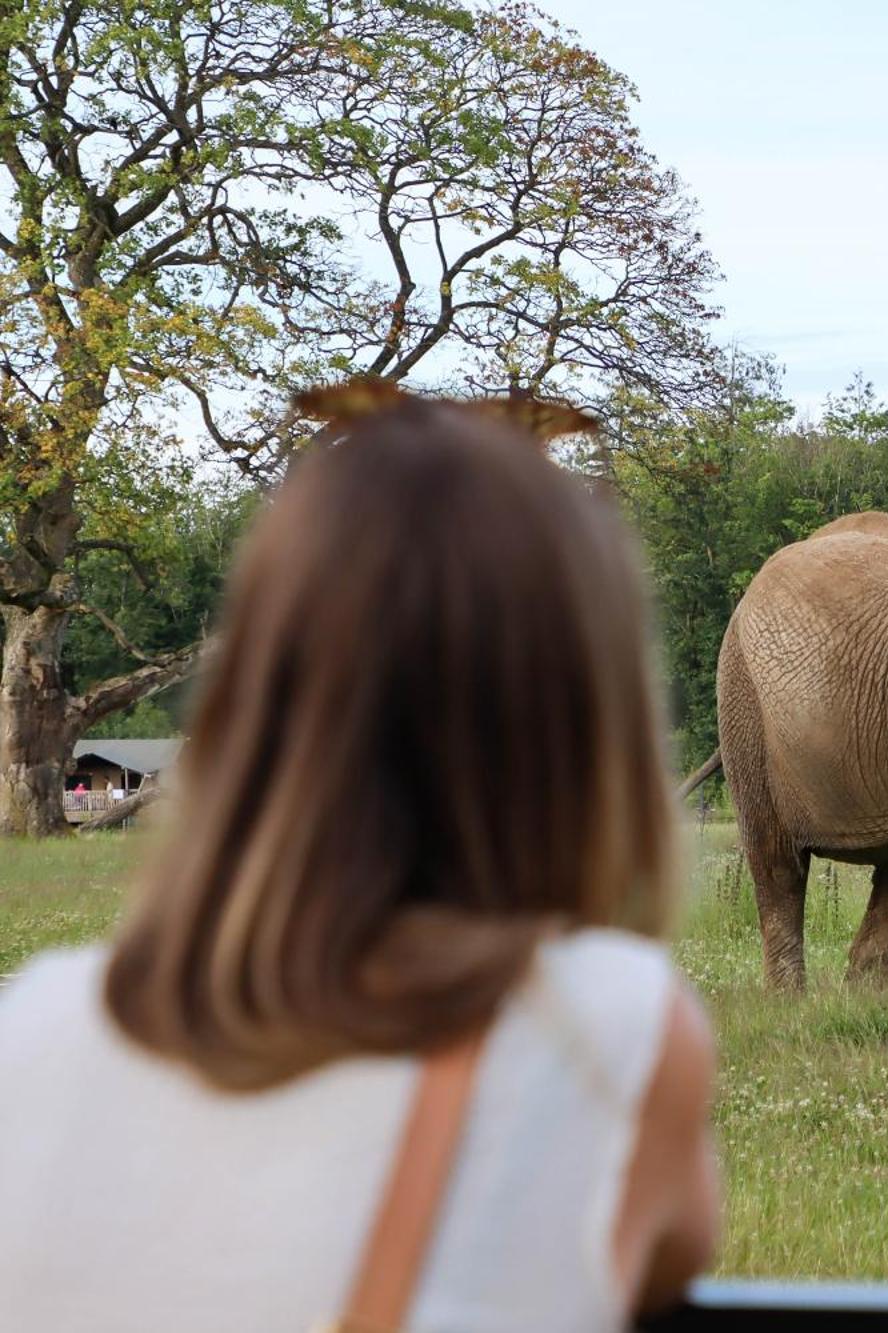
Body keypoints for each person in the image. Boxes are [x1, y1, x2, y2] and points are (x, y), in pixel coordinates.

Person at [0, 385, 719, 1332]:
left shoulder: (33, 1028)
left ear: (254, 691)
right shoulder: (608, 1030)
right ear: (586, 718)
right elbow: (673, 1243)